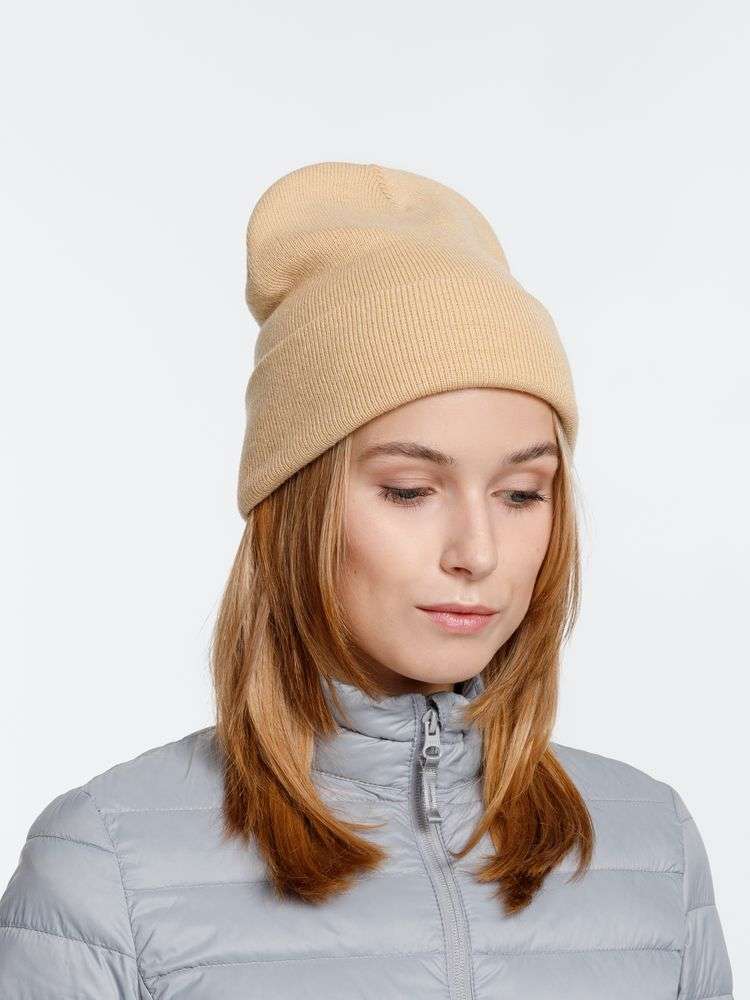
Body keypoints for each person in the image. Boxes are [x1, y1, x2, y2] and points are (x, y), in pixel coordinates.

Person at [0, 161, 734, 999]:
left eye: (522, 493)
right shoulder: (106, 866)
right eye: (410, 490)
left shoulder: (654, 846)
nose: (478, 551)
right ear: (295, 508)